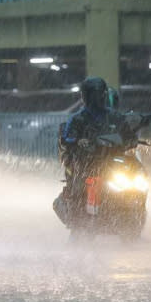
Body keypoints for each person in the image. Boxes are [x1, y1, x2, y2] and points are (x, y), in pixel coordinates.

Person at [55, 77, 128, 223]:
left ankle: (131, 217)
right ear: (85, 96)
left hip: (112, 163)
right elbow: (66, 138)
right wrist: (77, 141)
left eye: (99, 94)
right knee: (80, 189)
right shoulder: (77, 119)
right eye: (92, 94)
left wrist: (132, 137)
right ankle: (80, 223)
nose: (96, 98)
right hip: (86, 163)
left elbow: (127, 133)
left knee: (135, 182)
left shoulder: (115, 117)